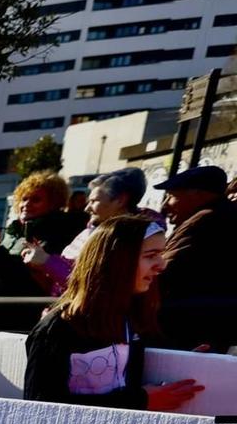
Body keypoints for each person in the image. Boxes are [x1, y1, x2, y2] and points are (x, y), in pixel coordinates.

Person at [24, 214, 205, 411]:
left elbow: (131, 379)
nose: (161, 265)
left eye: (161, 254)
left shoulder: (135, 316)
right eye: (151, 255)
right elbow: (39, 405)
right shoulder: (58, 328)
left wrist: (185, 364)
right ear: (116, 261)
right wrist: (140, 401)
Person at [154, 165, 237, 351]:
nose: (165, 205)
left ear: (198, 194)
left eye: (172, 196)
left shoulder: (206, 220)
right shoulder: (223, 214)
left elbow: (164, 270)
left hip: (193, 325)